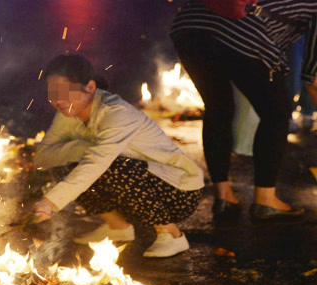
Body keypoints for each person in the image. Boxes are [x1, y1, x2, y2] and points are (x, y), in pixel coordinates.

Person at [31, 53, 204, 258]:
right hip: (140, 189)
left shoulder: (116, 113)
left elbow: (95, 165)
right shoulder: (68, 112)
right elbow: (43, 157)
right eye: (53, 94)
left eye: (65, 92)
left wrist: (50, 203)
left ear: (90, 87)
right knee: (66, 165)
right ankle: (118, 227)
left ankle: (172, 234)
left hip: (178, 191)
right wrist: (83, 147)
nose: (58, 100)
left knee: (113, 166)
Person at [170, 0, 317, 221]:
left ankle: (224, 197)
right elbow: (311, 78)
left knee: (218, 108)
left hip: (188, 26)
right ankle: (265, 200)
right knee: (276, 113)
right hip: (240, 30)